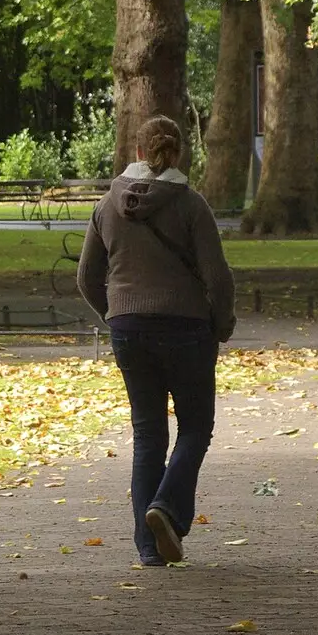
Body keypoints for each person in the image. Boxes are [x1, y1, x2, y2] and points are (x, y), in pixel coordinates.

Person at [77, 115, 236, 566]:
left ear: (139, 151)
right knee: (195, 428)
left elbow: (87, 276)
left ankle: (149, 549)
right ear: (180, 152)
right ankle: (165, 508)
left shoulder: (107, 205)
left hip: (129, 329)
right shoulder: (191, 205)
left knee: (148, 435)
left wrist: (115, 315)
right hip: (187, 330)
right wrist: (220, 324)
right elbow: (217, 278)